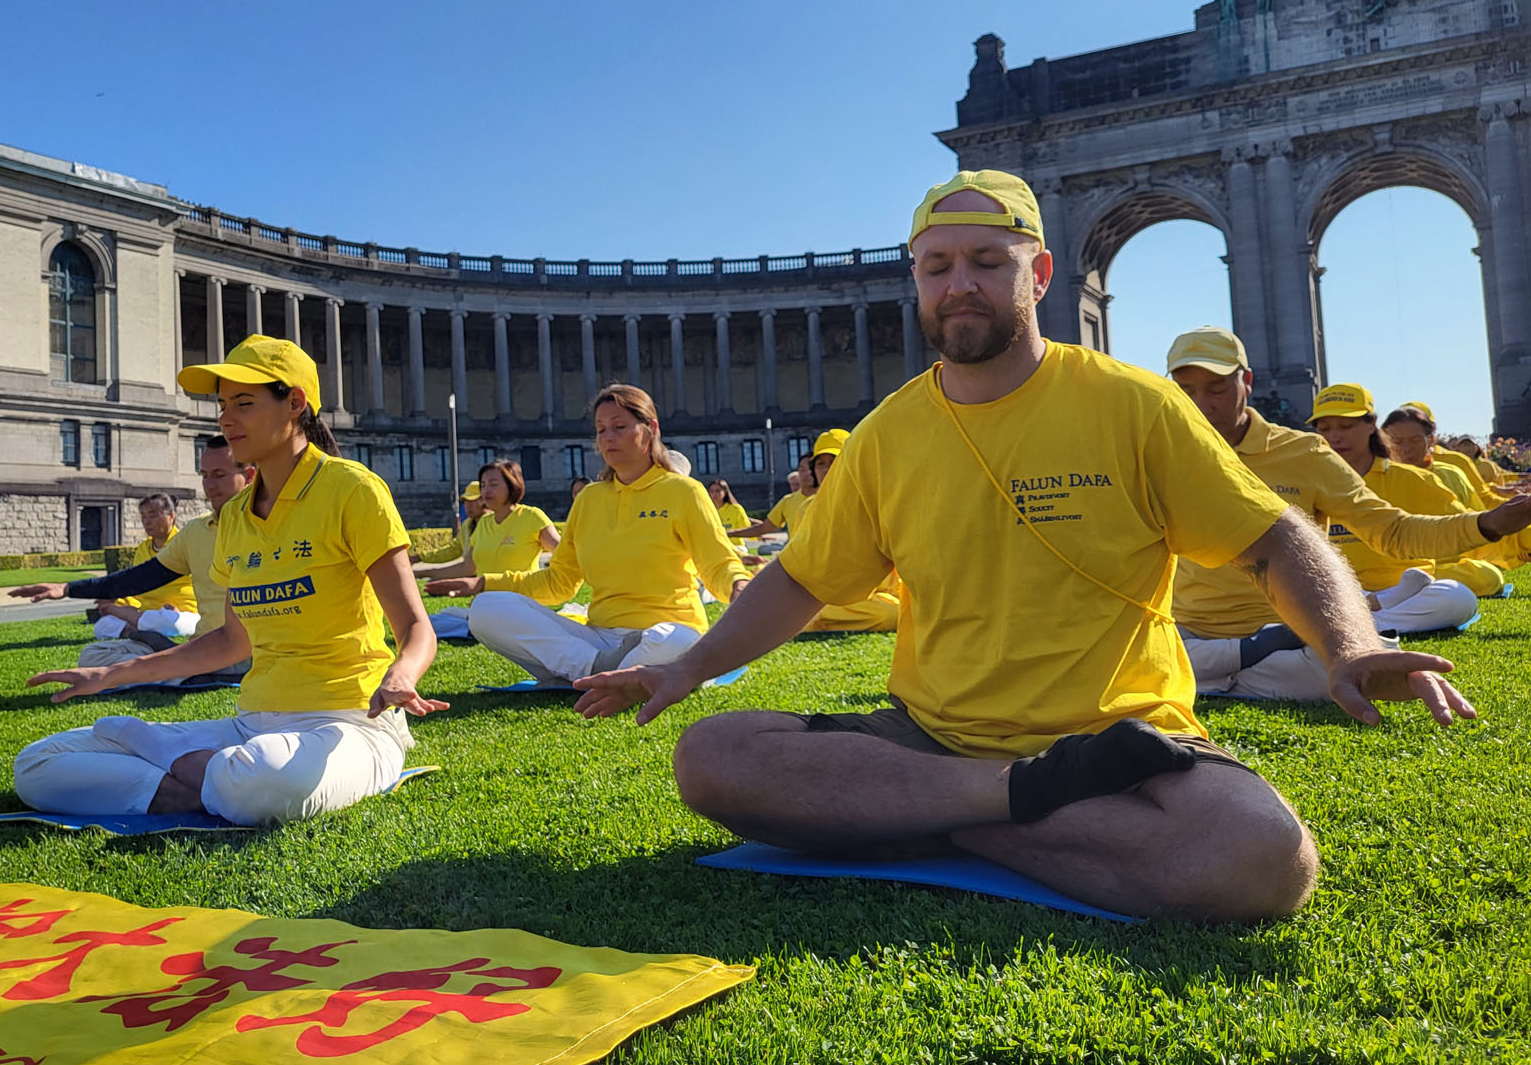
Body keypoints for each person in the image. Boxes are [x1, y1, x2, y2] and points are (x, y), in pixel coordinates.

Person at [573, 170, 1472, 923]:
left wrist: (1352, 644)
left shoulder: (1134, 404)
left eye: (985, 262)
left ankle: (924, 820)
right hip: (934, 736)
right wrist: (685, 668)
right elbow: (802, 579)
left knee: (1262, 860)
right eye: (936, 266)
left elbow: (1277, 540)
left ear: (1039, 273)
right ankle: (1008, 803)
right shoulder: (889, 433)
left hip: (1123, 738)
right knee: (712, 757)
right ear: (916, 282)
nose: (958, 283)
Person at [12, 335, 446, 826]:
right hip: (252, 725)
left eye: (243, 403)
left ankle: (166, 761)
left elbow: (417, 629)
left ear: (295, 404)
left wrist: (401, 675)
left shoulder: (353, 490)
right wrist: (109, 675)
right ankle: (191, 780)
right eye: (222, 405)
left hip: (352, 723)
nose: (225, 419)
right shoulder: (237, 515)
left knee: (261, 780)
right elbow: (231, 641)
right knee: (36, 767)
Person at [1167, 331, 1531, 700]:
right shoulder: (1160, 452)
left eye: (1215, 389)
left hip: (1291, 630)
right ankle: (1239, 663)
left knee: (1347, 662)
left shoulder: (1303, 453)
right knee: (1140, 652)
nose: (1200, 405)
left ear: (1246, 381)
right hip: (1191, 630)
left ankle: (1204, 676)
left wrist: (1486, 523)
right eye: (1185, 391)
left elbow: (1393, 531)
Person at [427, 385, 752, 687]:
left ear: (651, 429)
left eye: (619, 427)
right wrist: (482, 583)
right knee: (486, 608)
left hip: (664, 634)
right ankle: (598, 673)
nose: (608, 437)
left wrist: (738, 584)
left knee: (677, 641)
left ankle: (588, 674)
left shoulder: (684, 491)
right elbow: (559, 583)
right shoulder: (589, 500)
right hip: (598, 640)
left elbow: (718, 561)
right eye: (600, 430)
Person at [11, 438, 249, 675]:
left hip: (244, 653)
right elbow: (138, 579)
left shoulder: (266, 526)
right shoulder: (197, 531)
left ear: (248, 477)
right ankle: (174, 668)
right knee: (92, 655)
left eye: (219, 475)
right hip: (199, 649)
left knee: (118, 669)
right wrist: (66, 588)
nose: (209, 485)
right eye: (204, 475)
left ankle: (176, 671)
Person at [1310, 387, 1504, 618]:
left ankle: (1358, 620)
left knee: (1458, 598)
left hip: (1403, 589)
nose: (1335, 436)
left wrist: (1514, 529)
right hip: (1337, 590)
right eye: (1325, 429)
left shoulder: (1415, 479)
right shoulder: (1308, 481)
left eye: (1346, 426)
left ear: (1372, 425)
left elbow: (1465, 527)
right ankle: (1371, 616)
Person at [796, 429, 902, 634]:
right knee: (891, 614)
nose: (826, 469)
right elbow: (805, 565)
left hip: (885, 593)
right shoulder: (807, 509)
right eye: (820, 464)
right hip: (838, 597)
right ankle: (810, 617)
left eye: (834, 461)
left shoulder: (881, 501)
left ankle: (807, 619)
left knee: (899, 610)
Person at [89, 493, 200, 644]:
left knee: (170, 621)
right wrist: (117, 599)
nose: (147, 522)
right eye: (143, 517)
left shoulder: (186, 543)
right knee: (102, 626)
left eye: (153, 516)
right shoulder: (143, 549)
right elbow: (136, 589)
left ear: (171, 516)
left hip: (184, 613)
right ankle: (136, 629)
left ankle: (136, 627)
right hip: (147, 614)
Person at [454, 459, 560, 577]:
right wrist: (430, 570)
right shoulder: (483, 523)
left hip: (523, 594)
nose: (486, 491)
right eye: (483, 485)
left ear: (512, 485)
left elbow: (564, 553)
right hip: (487, 595)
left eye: (493, 484)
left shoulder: (532, 517)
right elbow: (467, 567)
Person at [411, 480, 487, 579]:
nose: (468, 505)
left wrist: (423, 572)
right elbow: (453, 550)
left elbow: (469, 569)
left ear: (484, 500)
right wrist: (420, 557)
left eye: (473, 500)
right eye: (466, 501)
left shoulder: (489, 523)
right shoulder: (467, 524)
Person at [730, 454, 817, 540]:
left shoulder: (828, 498)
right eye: (802, 469)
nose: (807, 473)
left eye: (811, 469)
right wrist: (729, 533)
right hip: (798, 552)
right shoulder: (788, 501)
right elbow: (764, 528)